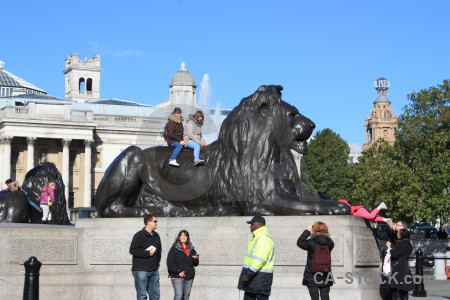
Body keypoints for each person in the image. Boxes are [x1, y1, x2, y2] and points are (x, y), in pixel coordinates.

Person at [238, 216, 275, 300]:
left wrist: (248, 274)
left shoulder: (263, 238)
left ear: (259, 225)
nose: (250, 226)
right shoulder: (257, 237)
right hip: (254, 280)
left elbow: (259, 259)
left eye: (252, 224)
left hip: (259, 280)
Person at [297, 221, 334, 300]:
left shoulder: (311, 242)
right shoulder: (330, 243)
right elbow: (327, 240)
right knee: (325, 296)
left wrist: (307, 231)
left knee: (314, 297)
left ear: (314, 230)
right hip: (326, 273)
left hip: (311, 273)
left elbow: (299, 242)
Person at [129, 215, 162, 300]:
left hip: (154, 271)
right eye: (155, 221)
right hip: (141, 271)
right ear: (148, 222)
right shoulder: (139, 235)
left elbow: (159, 252)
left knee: (155, 296)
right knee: (142, 296)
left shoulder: (156, 236)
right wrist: (147, 253)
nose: (157, 223)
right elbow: (132, 250)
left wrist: (157, 265)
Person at [167, 230, 199, 300]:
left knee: (186, 297)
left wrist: (195, 259)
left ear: (188, 237)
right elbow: (170, 263)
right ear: (179, 237)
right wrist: (179, 271)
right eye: (182, 235)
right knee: (179, 296)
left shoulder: (191, 249)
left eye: (185, 235)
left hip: (189, 275)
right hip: (177, 275)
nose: (183, 237)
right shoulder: (174, 249)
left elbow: (195, 264)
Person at [386, 229, 414, 300]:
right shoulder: (408, 243)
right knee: (404, 290)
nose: (397, 234)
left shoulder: (402, 244)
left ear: (402, 235)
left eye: (398, 233)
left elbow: (394, 254)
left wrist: (389, 248)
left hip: (398, 268)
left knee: (395, 289)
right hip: (405, 267)